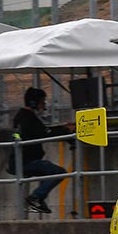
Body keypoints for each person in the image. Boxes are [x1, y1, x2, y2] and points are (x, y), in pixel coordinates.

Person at [10, 87, 71, 215]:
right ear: (34, 103)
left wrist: (60, 128)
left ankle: (39, 199)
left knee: (47, 172)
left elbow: (41, 131)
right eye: (42, 102)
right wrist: (65, 130)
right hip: (26, 161)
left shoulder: (21, 116)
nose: (44, 105)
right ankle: (36, 197)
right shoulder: (29, 118)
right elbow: (45, 133)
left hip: (19, 160)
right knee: (58, 172)